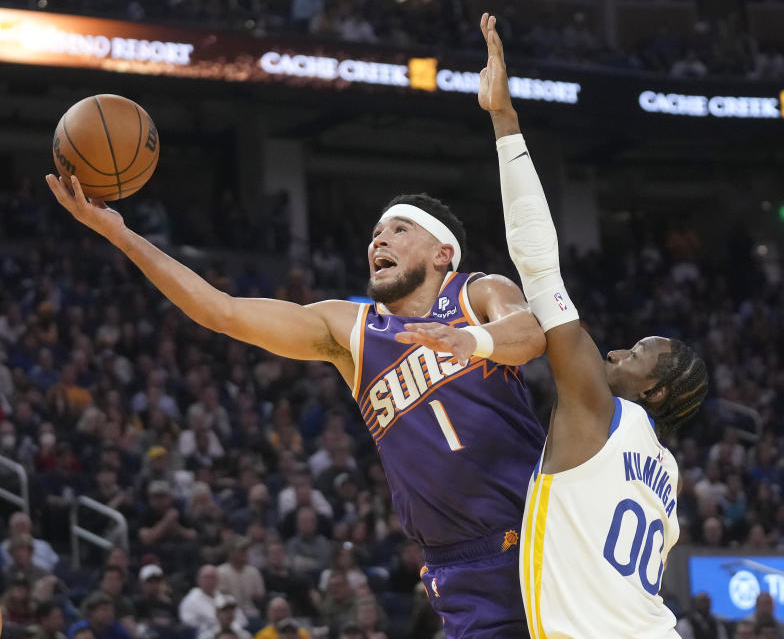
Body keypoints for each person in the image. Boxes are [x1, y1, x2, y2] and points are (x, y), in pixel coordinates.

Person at [47, 96, 548, 637]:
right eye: (376, 233)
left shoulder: (478, 292)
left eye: (399, 230)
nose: (379, 239)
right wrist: (119, 234)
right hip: (454, 565)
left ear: (442, 253)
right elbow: (222, 311)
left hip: (538, 535)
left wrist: (469, 340)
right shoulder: (351, 330)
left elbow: (530, 335)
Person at [398, 13, 707, 638]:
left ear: (658, 390)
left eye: (642, 351)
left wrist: (506, 124)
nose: (620, 348)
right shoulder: (665, 472)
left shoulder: (600, 409)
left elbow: (539, 268)